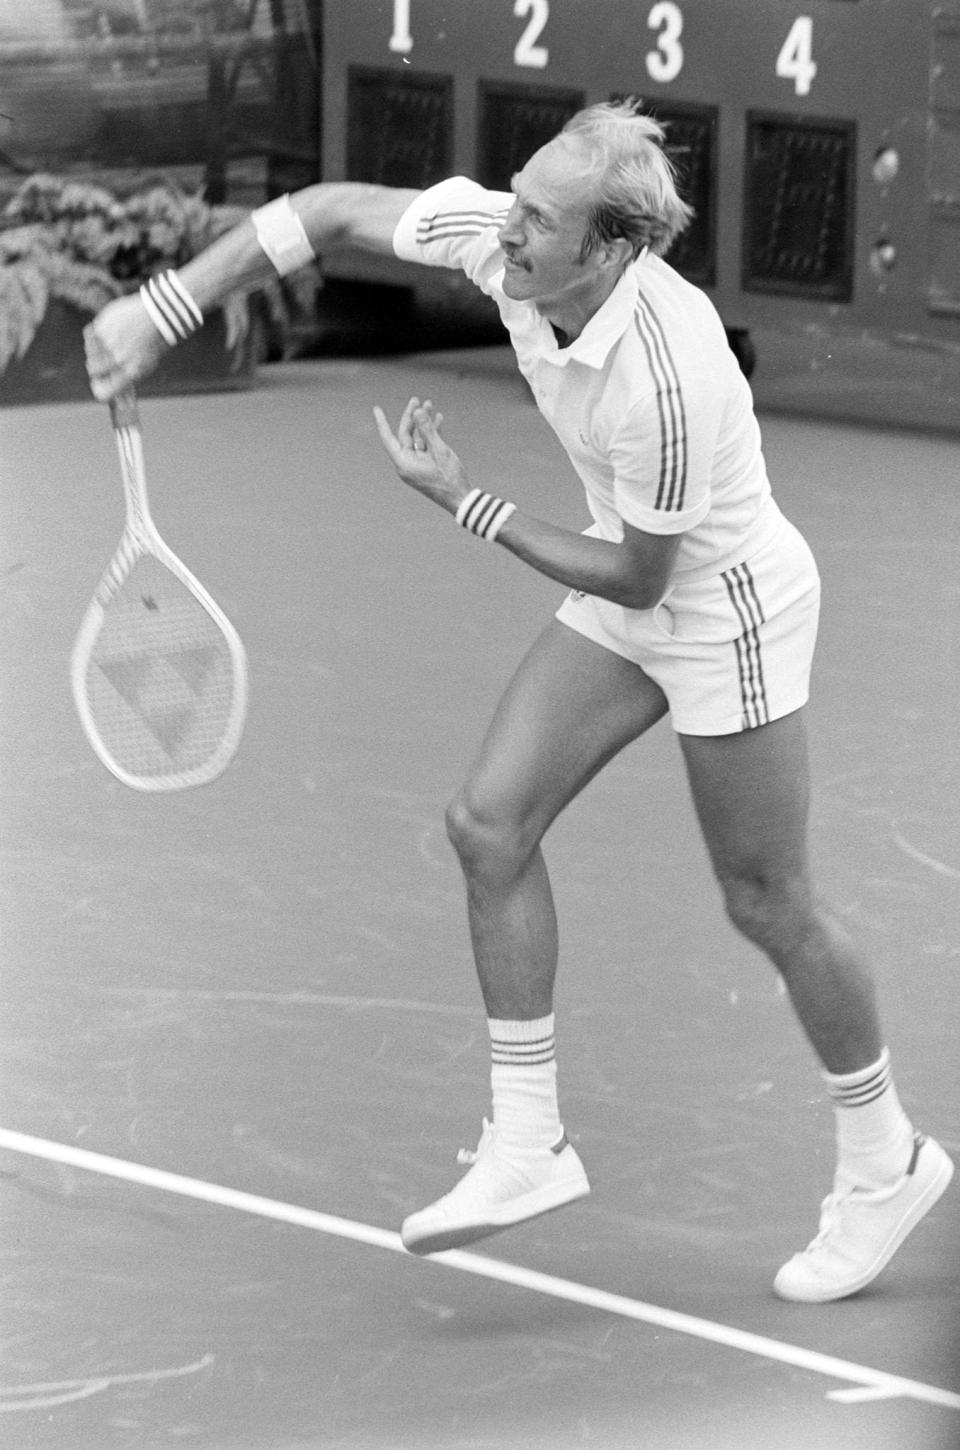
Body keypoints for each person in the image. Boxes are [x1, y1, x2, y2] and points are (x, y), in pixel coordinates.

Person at [85, 100, 952, 1302]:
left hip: (725, 607)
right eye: (519, 195)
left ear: (612, 250)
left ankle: (885, 1158)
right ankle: (529, 1139)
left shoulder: (671, 371)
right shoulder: (501, 237)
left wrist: (465, 501)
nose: (510, 225)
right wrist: (164, 308)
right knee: (488, 824)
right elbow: (329, 212)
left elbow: (645, 580)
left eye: (542, 217)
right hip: (630, 565)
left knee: (767, 899)